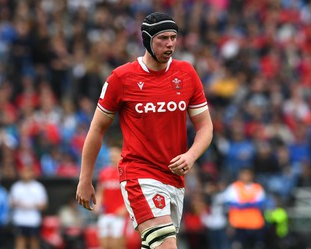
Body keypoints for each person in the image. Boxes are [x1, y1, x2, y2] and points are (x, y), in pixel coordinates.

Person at [76, 12, 213, 249]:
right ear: (147, 39)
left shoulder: (187, 73)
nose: (170, 44)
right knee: (166, 245)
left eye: (173, 37)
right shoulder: (121, 78)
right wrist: (85, 179)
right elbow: (97, 129)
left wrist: (191, 155)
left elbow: (205, 127)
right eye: (163, 38)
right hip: (139, 175)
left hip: (174, 178)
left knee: (154, 245)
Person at [93, 146, 127, 249]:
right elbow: (100, 192)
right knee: (104, 245)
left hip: (120, 215)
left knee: (117, 245)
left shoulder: (125, 172)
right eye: (111, 155)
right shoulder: (104, 173)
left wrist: (125, 209)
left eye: (115, 155)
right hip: (106, 213)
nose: (112, 158)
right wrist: (97, 205)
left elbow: (130, 194)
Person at [223, 168, 266, 249]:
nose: (245, 176)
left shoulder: (257, 187)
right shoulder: (233, 187)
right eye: (243, 174)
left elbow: (261, 203)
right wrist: (249, 204)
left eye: (248, 174)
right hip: (238, 223)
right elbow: (229, 202)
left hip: (255, 223)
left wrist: (243, 205)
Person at [10, 166, 48, 249]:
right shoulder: (16, 187)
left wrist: (32, 206)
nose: (26, 174)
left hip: (33, 220)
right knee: (20, 242)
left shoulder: (38, 187)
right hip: (19, 220)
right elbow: (11, 203)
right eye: (24, 172)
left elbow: (44, 205)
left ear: (32, 173)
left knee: (34, 242)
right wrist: (18, 204)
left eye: (28, 172)